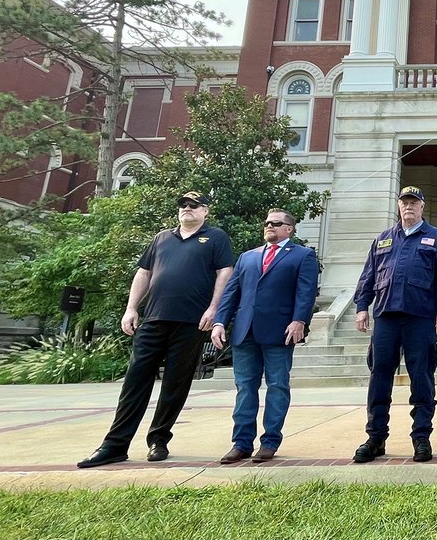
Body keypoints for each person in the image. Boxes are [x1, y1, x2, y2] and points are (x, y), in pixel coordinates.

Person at [77, 190, 234, 468]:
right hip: (153, 319)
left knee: (176, 383)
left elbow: (225, 272)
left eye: (194, 205)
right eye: (183, 205)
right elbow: (144, 273)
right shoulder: (162, 238)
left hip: (191, 322)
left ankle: (158, 439)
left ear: (205, 211)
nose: (187, 209)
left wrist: (214, 309)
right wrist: (131, 308)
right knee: (135, 381)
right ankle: (115, 445)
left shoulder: (216, 237)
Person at [351, 186, 437, 464]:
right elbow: (368, 277)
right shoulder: (383, 240)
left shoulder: (435, 238)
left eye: (414, 203)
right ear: (398, 206)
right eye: (404, 202)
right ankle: (376, 437)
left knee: (421, 378)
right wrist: (362, 307)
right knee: (379, 378)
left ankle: (421, 437)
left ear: (422, 207)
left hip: (420, 318)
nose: (408, 207)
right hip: (385, 317)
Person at [211, 208, 319, 464]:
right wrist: (219, 323)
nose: (269, 226)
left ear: (289, 229)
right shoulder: (248, 257)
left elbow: (306, 291)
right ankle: (241, 443)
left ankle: (269, 441)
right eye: (267, 223)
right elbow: (231, 293)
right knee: (245, 387)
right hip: (244, 332)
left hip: (279, 331)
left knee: (278, 386)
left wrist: (299, 320)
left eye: (276, 223)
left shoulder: (302, 255)